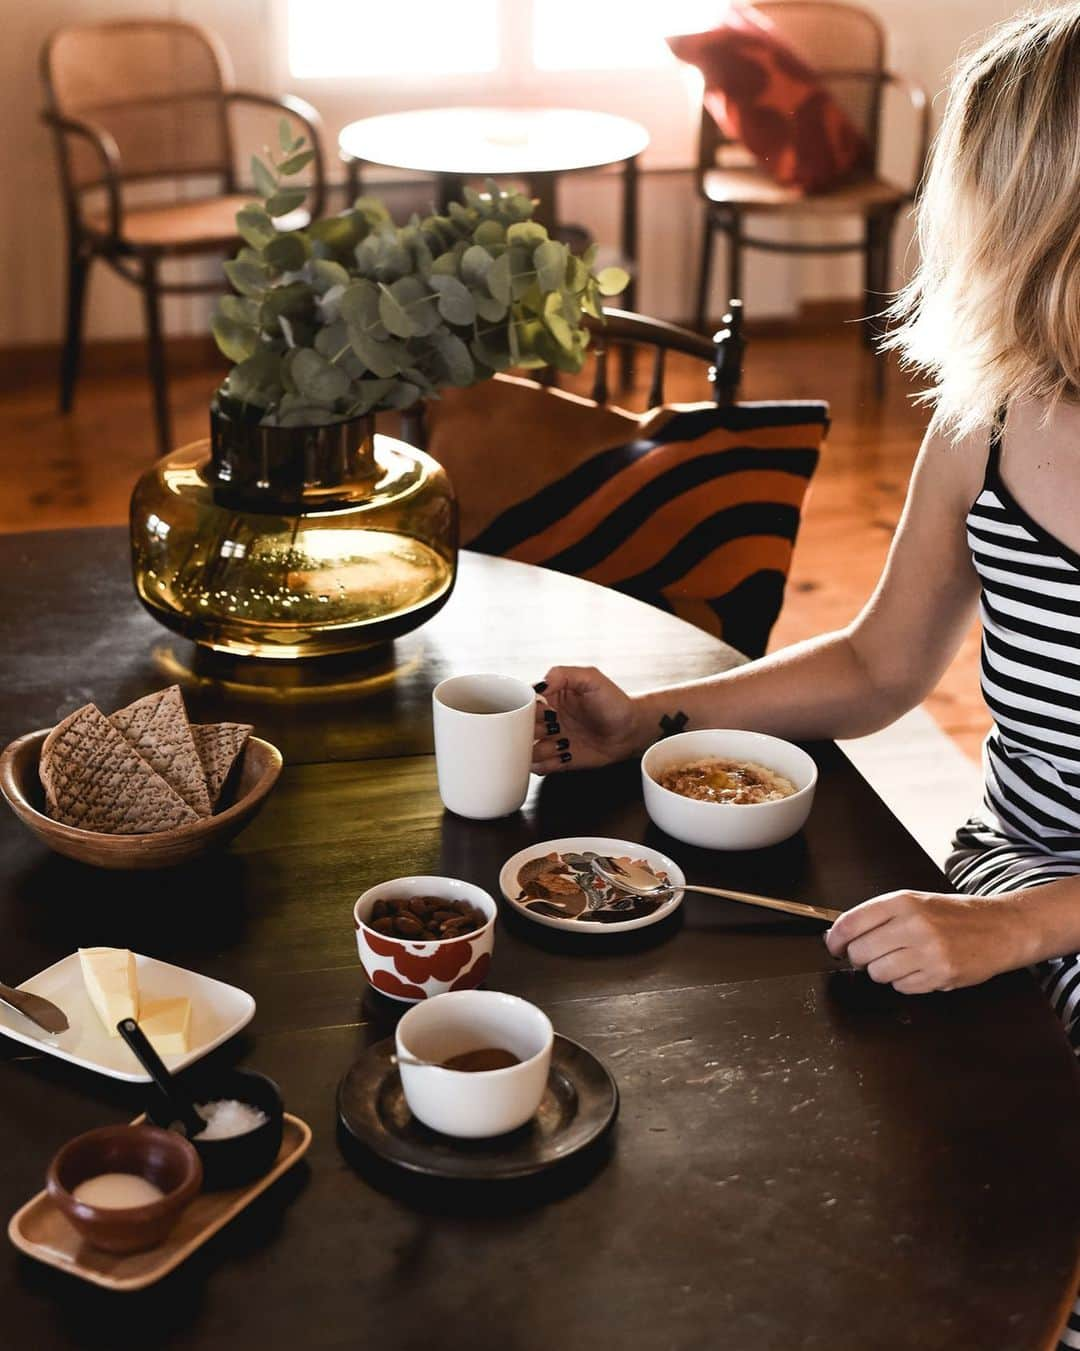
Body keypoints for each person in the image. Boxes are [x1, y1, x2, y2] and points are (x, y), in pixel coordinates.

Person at [533, 8, 1080, 1040]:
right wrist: (644, 721)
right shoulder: (990, 426)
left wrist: (1017, 929)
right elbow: (879, 666)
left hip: (1031, 914)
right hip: (1013, 875)